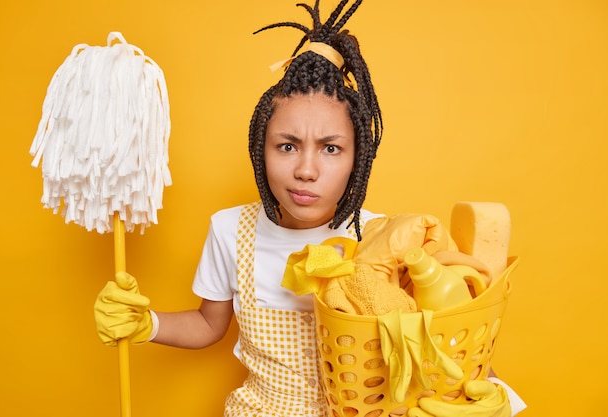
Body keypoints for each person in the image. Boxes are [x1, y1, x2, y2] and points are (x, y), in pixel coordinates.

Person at [94, 1, 526, 416]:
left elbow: (448, 348)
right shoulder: (230, 230)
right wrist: (145, 324)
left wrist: (493, 398)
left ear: (358, 158)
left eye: (331, 148)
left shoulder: (386, 239)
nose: (305, 170)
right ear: (260, 149)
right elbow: (209, 325)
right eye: (287, 146)